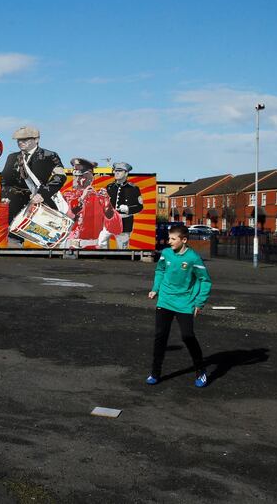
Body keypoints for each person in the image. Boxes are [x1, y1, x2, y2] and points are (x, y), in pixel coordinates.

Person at [146, 225, 211, 388]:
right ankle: (155, 372)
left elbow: (205, 280)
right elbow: (160, 271)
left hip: (185, 303)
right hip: (165, 300)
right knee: (160, 336)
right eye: (169, 238)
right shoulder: (166, 254)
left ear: (184, 240)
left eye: (173, 239)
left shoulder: (193, 258)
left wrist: (199, 302)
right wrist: (155, 288)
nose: (169, 242)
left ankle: (200, 370)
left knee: (187, 336)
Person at [0, 126, 67, 244]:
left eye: (25, 140)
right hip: (17, 207)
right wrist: (4, 196)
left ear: (36, 139)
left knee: (46, 238)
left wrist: (42, 194)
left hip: (41, 203)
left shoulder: (50, 156)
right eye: (18, 140)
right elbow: (5, 180)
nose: (20, 142)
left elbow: (60, 176)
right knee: (13, 240)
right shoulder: (12, 157)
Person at [61, 158, 122, 249]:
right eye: (75, 175)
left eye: (81, 176)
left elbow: (116, 228)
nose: (77, 179)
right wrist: (82, 198)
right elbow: (66, 216)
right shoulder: (67, 195)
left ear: (90, 177)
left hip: (93, 246)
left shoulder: (100, 197)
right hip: (69, 245)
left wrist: (107, 203)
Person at [98, 161, 143, 249]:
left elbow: (139, 207)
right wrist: (101, 199)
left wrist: (128, 209)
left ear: (126, 173)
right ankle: (104, 258)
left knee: (122, 247)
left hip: (124, 222)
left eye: (119, 171)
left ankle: (121, 261)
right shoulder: (109, 187)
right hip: (109, 221)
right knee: (101, 242)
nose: (116, 173)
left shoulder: (133, 189)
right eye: (115, 170)